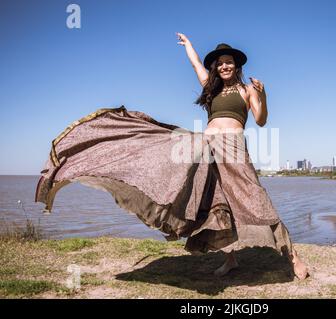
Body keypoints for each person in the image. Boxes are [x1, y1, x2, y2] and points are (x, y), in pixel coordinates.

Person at [34, 33, 309, 280]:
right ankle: (231, 259)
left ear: (237, 65)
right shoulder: (210, 88)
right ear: (216, 67)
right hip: (207, 148)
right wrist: (189, 45)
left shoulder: (247, 90)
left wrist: (264, 94)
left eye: (229, 62)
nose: (224, 66)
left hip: (235, 148)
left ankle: (293, 257)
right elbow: (196, 66)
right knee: (215, 204)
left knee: (256, 198)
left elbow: (260, 120)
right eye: (220, 63)